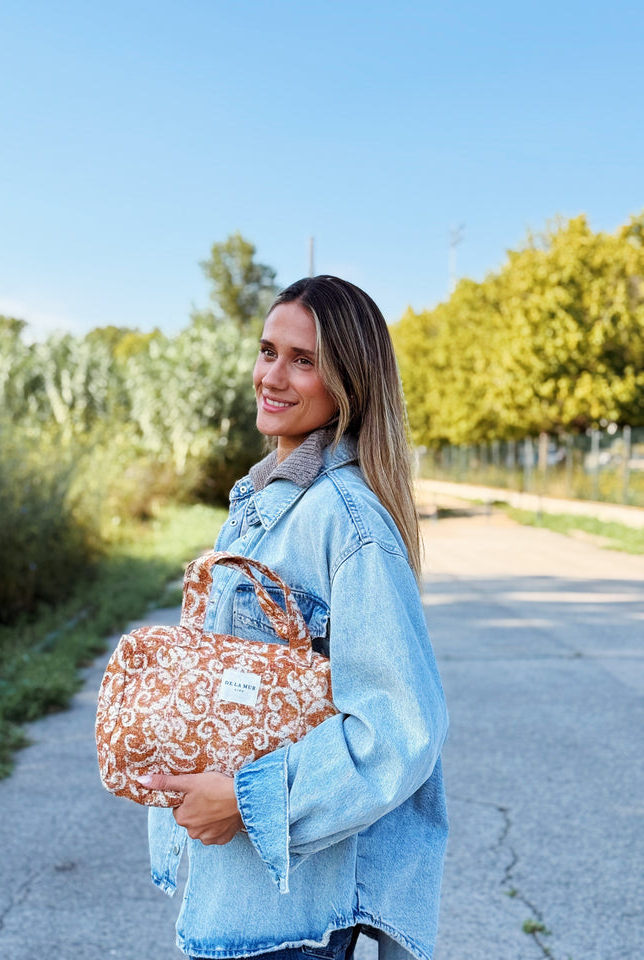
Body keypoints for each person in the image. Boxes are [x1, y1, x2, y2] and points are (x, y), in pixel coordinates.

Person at [137, 276, 449, 960]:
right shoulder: (257, 504)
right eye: (267, 351)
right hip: (238, 900)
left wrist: (246, 800)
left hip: (289, 922)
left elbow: (399, 729)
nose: (273, 376)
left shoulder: (347, 523)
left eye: (303, 360)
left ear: (348, 384)